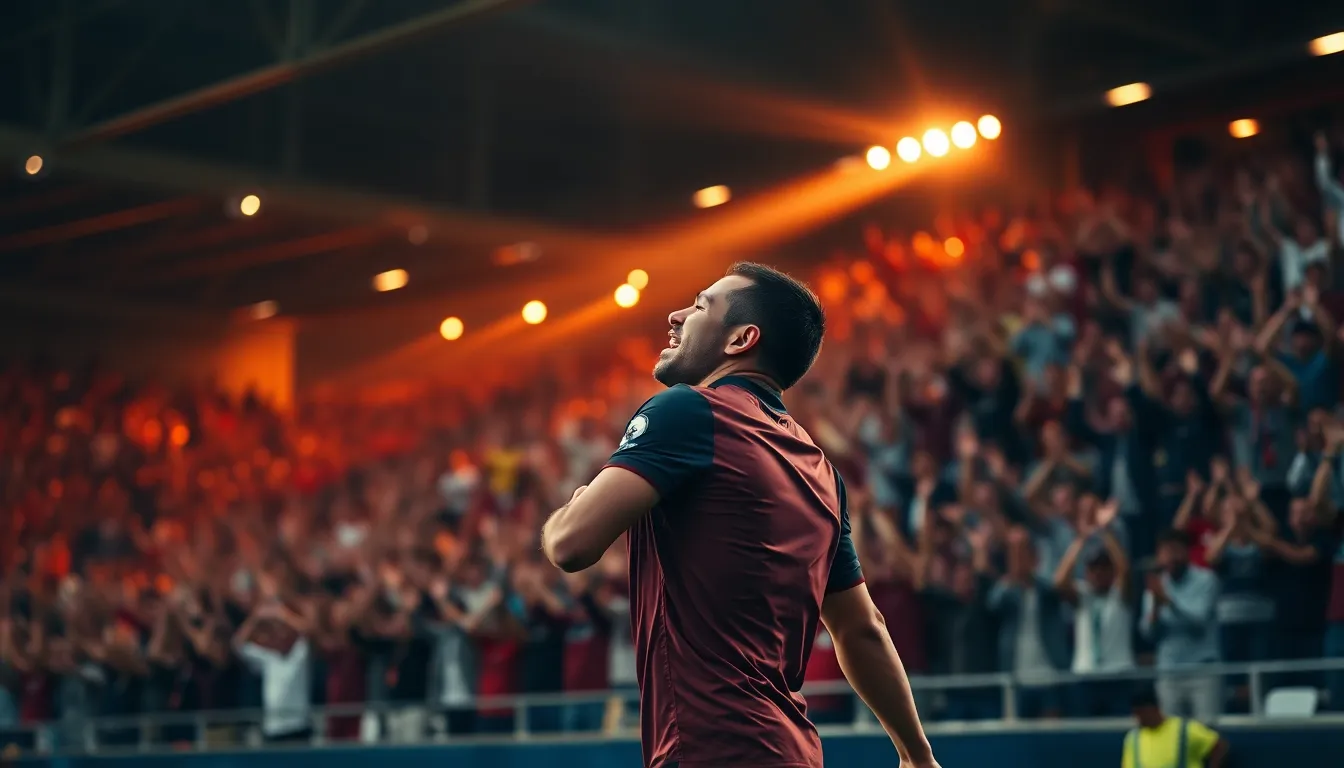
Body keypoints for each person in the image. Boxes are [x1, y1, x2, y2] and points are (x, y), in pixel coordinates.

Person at [542, 262, 938, 768]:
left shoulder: (686, 412)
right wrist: (917, 756)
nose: (676, 316)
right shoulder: (820, 471)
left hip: (711, 748)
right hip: (792, 752)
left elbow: (569, 546)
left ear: (741, 339)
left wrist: (574, 505)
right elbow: (862, 628)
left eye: (700, 306)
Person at [1122, 684, 1228, 768]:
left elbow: (1218, 745)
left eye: (1141, 713)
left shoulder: (1185, 729)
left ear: (1154, 709)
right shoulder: (1133, 738)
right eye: (1135, 714)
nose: (1138, 718)